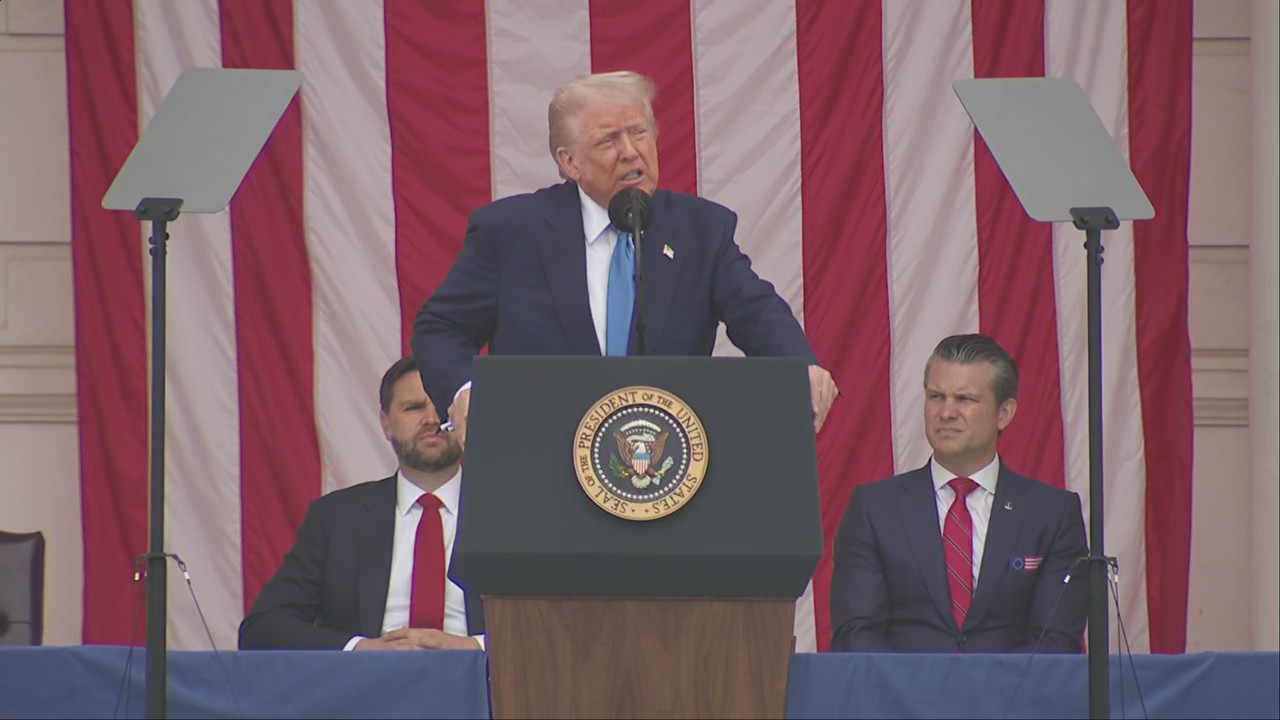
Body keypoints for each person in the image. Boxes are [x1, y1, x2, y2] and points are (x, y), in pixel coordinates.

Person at [411, 70, 838, 434]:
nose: (631, 151)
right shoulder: (511, 232)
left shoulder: (701, 230)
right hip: (540, 461)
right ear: (570, 162)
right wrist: (465, 392)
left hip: (666, 466)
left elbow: (758, 311)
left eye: (639, 132)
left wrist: (798, 366)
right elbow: (441, 326)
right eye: (608, 140)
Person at [829, 334, 1088, 653]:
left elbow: (1056, 641)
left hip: (1014, 700)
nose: (946, 412)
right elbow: (855, 634)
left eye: (965, 399)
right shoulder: (874, 508)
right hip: (901, 700)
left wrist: (985, 698)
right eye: (936, 396)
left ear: (1004, 413)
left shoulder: (1052, 514)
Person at [239, 356, 482, 650]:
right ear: (386, 424)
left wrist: (475, 647)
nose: (431, 419)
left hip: (482, 685)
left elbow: (549, 627)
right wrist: (360, 649)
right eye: (413, 408)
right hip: (367, 686)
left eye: (443, 406)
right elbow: (263, 628)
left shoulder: (509, 514)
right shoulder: (336, 518)